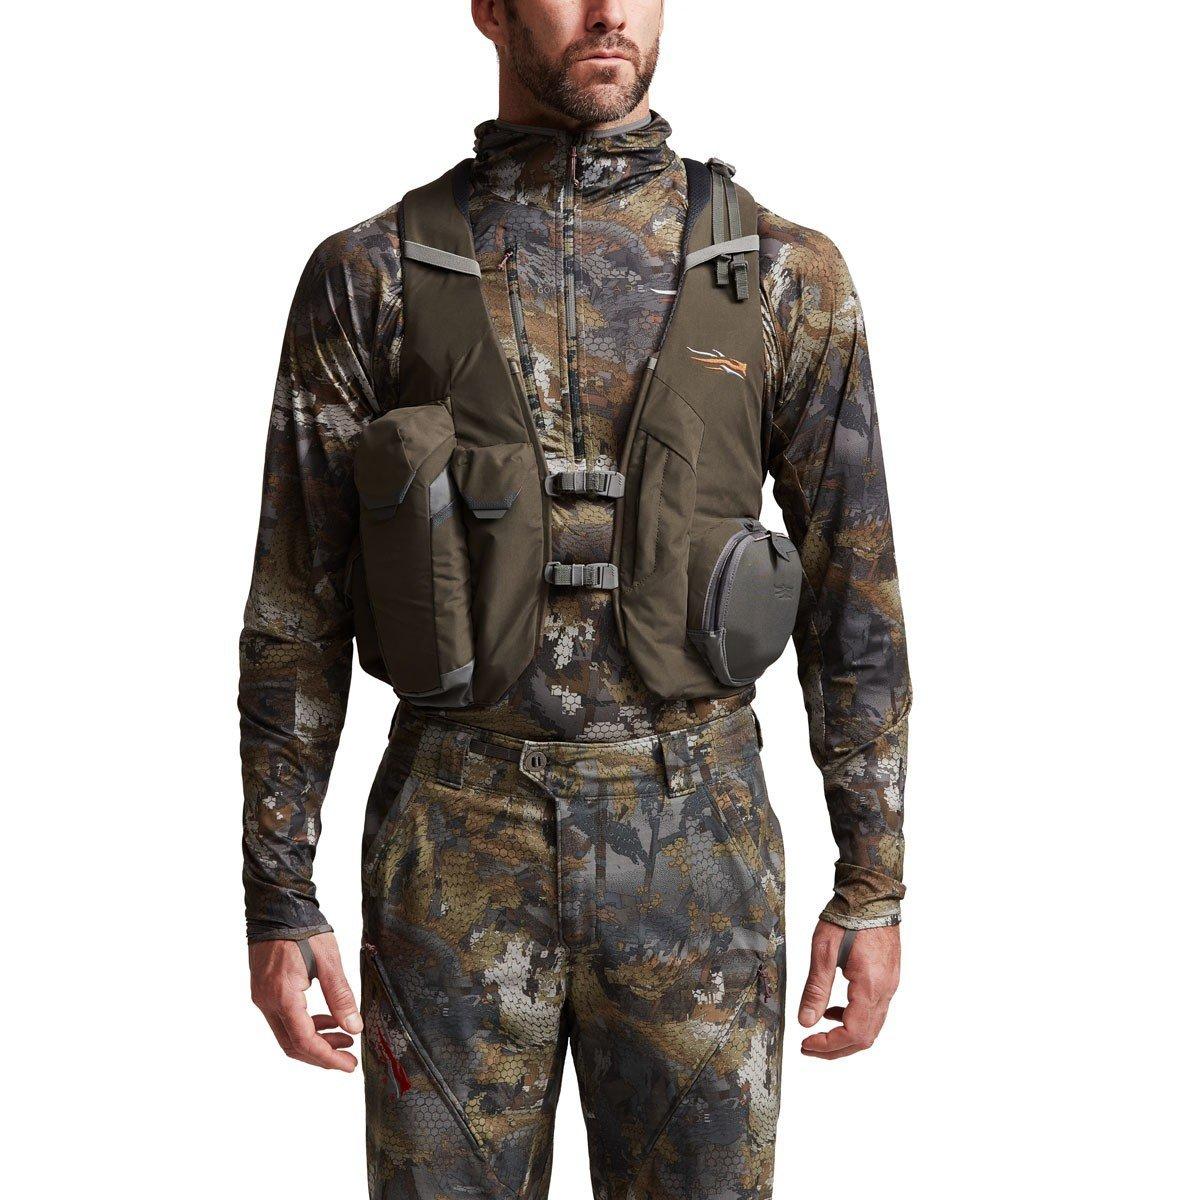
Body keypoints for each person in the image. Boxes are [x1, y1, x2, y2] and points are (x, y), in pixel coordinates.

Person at [239, 2, 910, 1196]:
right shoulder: (370, 275)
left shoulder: (783, 275)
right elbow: (295, 612)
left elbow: (854, 597)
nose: (607, 12)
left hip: (699, 839)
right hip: (452, 838)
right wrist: (278, 896)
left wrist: (873, 879)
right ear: (489, 9)